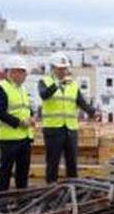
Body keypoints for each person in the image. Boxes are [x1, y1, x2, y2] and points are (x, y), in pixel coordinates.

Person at [38, 52, 96, 182]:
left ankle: (72, 189)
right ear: (52, 68)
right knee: (53, 163)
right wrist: (58, 84)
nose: (63, 71)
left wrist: (92, 112)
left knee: (72, 163)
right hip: (53, 129)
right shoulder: (44, 82)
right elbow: (44, 95)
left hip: (70, 129)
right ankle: (51, 189)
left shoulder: (73, 85)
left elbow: (81, 102)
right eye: (60, 68)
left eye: (64, 68)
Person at [0, 56, 35, 193]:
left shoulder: (22, 89)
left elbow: (26, 109)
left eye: (24, 73)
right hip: (8, 138)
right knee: (6, 170)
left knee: (23, 171)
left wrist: (31, 118)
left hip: (24, 137)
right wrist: (19, 123)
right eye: (20, 72)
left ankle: (21, 200)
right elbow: (0, 113)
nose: (23, 76)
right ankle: (1, 202)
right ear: (11, 72)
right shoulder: (0, 88)